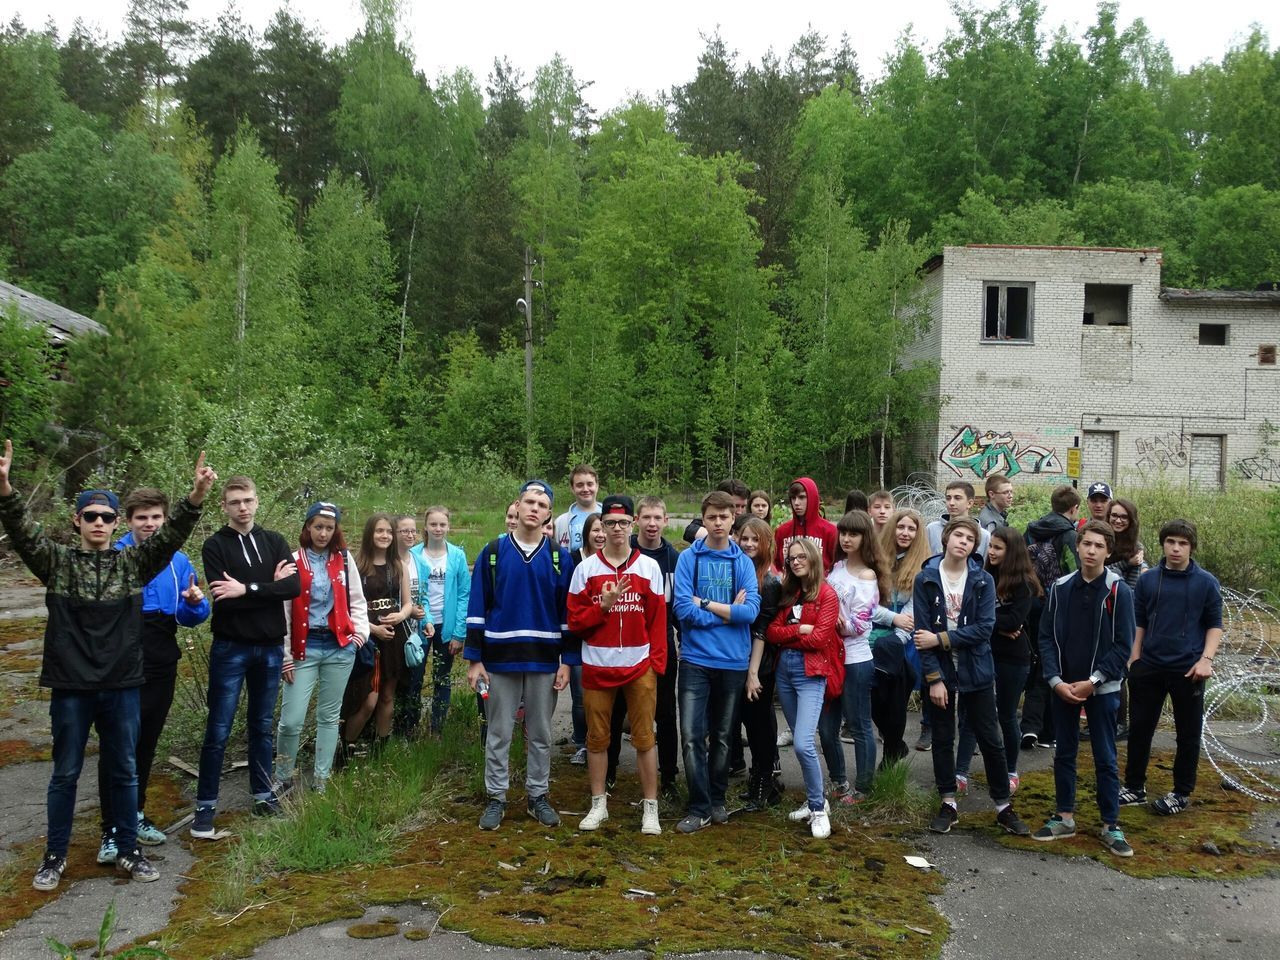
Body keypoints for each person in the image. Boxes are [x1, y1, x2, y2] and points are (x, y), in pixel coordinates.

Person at [0, 441, 214, 890]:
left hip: (122, 684)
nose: (99, 523)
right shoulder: (55, 563)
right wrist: (5, 489)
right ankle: (54, 856)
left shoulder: (132, 564)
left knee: (124, 769)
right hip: (72, 685)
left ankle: (129, 851)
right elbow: (21, 531)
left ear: (117, 523)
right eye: (91, 516)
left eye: (107, 517)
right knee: (65, 773)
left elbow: (173, 534)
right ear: (77, 520)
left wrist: (195, 497)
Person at [98, 487, 210, 864]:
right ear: (128, 522)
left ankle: (135, 814)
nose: (149, 524)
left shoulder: (178, 561)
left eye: (156, 518)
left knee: (145, 743)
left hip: (161, 663)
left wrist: (196, 603)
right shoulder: (114, 557)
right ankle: (111, 831)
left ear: (164, 520)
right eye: (141, 518)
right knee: (117, 746)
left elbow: (191, 616)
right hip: (119, 665)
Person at [194, 475, 299, 840]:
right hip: (231, 647)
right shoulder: (215, 546)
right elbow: (224, 595)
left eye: (248, 500)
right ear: (224, 505)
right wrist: (267, 588)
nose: (243, 507)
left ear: (257, 501)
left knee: (262, 726)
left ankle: (262, 796)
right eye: (235, 501)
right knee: (218, 729)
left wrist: (248, 588)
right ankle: (205, 808)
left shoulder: (274, 541)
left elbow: (293, 586)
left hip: (270, 646)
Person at [465, 480, 575, 830]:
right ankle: (496, 797)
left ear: (548, 514)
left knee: (541, 732)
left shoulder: (560, 557)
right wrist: (474, 659)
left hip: (544, 661)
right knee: (499, 732)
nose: (534, 509)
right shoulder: (493, 552)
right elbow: (477, 607)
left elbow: (567, 615)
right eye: (529, 502)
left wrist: (567, 663)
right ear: (518, 505)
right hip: (500, 659)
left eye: (541, 505)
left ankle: (537, 795)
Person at [914, 517, 1030, 837]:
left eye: (970, 538)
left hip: (976, 667)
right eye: (958, 535)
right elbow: (920, 634)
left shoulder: (982, 581)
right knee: (942, 736)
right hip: (940, 671)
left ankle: (1003, 806)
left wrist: (942, 640)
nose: (963, 541)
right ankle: (948, 802)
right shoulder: (925, 579)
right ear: (946, 539)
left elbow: (983, 629)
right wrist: (934, 678)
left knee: (990, 738)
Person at [1032, 519, 1135, 856]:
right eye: (1086, 544)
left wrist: (1093, 682)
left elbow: (1123, 645)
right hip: (1063, 687)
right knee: (1064, 753)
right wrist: (1055, 680)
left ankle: (1111, 825)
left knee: (1105, 756)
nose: (1091, 551)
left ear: (1108, 551)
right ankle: (1064, 816)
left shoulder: (1119, 591)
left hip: (1101, 689)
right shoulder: (1060, 588)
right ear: (1077, 546)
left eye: (1099, 546)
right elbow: (1045, 637)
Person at [568, 495, 667, 834]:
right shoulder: (585, 570)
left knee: (644, 739)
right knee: (597, 739)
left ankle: (650, 808)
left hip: (639, 667)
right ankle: (599, 804)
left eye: (624, 523)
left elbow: (658, 621)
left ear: (632, 525)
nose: (617, 529)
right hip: (597, 666)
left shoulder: (648, 567)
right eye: (610, 523)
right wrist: (604, 606)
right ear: (602, 527)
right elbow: (575, 622)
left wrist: (656, 664)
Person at [1120, 519, 1223, 816]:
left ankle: (1181, 792)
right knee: (1140, 730)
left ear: (1191, 547)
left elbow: (1215, 624)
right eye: (1171, 542)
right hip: (1149, 667)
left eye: (1183, 543)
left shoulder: (1206, 582)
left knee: (1187, 734)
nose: (1176, 548)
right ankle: (1134, 787)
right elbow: (1139, 619)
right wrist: (1134, 658)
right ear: (1162, 544)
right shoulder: (1149, 579)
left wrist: (1206, 660)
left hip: (1188, 669)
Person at [672, 490, 760, 833]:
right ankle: (699, 806)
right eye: (712, 517)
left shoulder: (743, 563)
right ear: (703, 519)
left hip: (733, 662)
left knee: (724, 736)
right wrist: (727, 613)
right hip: (695, 660)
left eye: (725, 517)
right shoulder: (688, 560)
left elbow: (750, 612)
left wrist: (706, 605)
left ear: (733, 519)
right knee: (692, 735)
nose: (719, 522)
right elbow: (682, 610)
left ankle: (717, 799)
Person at [275, 503, 369, 792]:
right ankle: (283, 776)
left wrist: (358, 637)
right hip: (304, 649)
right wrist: (286, 655)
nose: (323, 533)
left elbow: (357, 601)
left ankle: (322, 779)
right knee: (291, 721)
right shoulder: (293, 560)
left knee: (328, 717)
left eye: (329, 528)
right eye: (318, 527)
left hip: (339, 647)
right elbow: (284, 611)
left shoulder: (343, 560)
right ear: (307, 527)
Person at [767, 538, 844, 839]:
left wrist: (789, 637)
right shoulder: (788, 592)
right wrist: (798, 629)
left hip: (811, 673)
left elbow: (820, 640)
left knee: (802, 743)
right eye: (791, 558)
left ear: (813, 559)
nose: (796, 562)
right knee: (802, 741)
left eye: (801, 557)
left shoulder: (826, 594)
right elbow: (772, 633)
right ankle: (817, 798)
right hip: (785, 671)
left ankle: (818, 809)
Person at [955, 527, 1041, 796]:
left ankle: (1011, 770)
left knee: (1006, 715)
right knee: (971, 715)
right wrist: (996, 625)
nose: (991, 552)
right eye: (990, 546)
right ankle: (960, 772)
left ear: (1012, 551)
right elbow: (966, 616)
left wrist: (991, 623)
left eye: (998, 548)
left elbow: (1014, 621)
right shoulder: (981, 577)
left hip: (1013, 659)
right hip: (982, 653)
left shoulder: (1024, 583)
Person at [818, 510, 887, 802]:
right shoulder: (836, 567)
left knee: (859, 725)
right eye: (843, 533)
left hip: (856, 660)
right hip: (829, 658)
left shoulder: (868, 575)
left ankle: (863, 788)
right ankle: (839, 782)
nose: (847, 538)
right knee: (826, 728)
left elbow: (861, 624)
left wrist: (832, 623)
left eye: (854, 534)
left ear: (865, 538)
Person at [627, 496, 682, 798]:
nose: (651, 524)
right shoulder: (627, 553)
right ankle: (608, 774)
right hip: (627, 646)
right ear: (636, 520)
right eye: (645, 517)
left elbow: (678, 607)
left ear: (666, 520)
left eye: (656, 518)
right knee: (620, 708)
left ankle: (670, 777)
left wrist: (682, 639)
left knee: (665, 712)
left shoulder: (674, 560)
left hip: (662, 646)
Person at [345, 514, 413, 753]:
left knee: (387, 697)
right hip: (367, 638)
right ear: (369, 534)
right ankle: (345, 749)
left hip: (393, 637)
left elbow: (408, 603)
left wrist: (402, 616)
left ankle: (379, 752)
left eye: (388, 531)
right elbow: (347, 607)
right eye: (379, 531)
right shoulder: (357, 565)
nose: (384, 536)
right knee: (368, 700)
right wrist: (372, 629)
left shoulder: (398, 566)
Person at [1021, 484, 1081, 751]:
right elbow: (1075, 569)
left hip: (1031, 601)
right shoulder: (1069, 534)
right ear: (1074, 509)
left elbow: (1020, 563)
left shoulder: (1032, 529)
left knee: (1033, 660)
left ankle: (1029, 725)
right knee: (1052, 663)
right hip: (1056, 605)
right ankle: (1045, 730)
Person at [869, 509, 928, 764]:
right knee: (875, 699)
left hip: (901, 642)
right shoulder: (874, 561)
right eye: (900, 527)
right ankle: (896, 745)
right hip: (870, 639)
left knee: (896, 703)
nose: (905, 533)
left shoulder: (922, 567)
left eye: (911, 529)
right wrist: (891, 619)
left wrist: (899, 637)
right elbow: (866, 604)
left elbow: (913, 610)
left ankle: (891, 757)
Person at [410, 507, 471, 734]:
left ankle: (437, 728)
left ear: (448, 526)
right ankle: (410, 725)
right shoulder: (414, 554)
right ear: (425, 526)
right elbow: (414, 592)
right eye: (433, 524)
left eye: (442, 525)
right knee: (414, 676)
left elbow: (464, 593)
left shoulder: (457, 555)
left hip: (447, 625)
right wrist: (424, 617)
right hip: (419, 625)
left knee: (442, 678)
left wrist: (458, 632)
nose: (438, 529)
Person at [738, 516, 784, 810]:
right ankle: (762, 779)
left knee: (759, 725)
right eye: (745, 539)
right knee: (750, 722)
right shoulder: (738, 571)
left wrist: (753, 672)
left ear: (767, 544)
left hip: (760, 665)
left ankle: (764, 781)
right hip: (738, 658)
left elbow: (763, 629)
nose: (750, 544)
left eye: (756, 539)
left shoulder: (768, 581)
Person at [566, 513, 606, 765]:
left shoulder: (616, 560)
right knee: (580, 696)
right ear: (586, 534)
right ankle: (582, 742)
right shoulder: (573, 560)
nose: (601, 534)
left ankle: (602, 739)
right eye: (596, 530)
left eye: (604, 529)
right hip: (578, 636)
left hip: (603, 638)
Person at [394, 513, 434, 736]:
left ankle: (409, 728)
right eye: (404, 531)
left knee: (414, 680)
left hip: (414, 632)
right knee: (394, 681)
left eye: (413, 531)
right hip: (392, 630)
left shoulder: (419, 561)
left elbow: (423, 597)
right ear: (395, 533)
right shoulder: (388, 560)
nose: (410, 535)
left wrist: (426, 619)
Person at [775, 477, 838, 573]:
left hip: (820, 585)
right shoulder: (782, 531)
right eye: (793, 498)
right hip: (788, 586)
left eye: (802, 497)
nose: (796, 503)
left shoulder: (830, 531)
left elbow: (838, 566)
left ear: (812, 498)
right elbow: (776, 565)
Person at [926, 481, 991, 559]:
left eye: (957, 498)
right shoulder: (932, 529)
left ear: (969, 503)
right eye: (948, 498)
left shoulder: (984, 535)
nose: (951, 503)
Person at [683, 479, 749, 543]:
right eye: (736, 506)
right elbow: (691, 531)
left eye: (743, 506)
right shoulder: (709, 521)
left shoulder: (749, 521)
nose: (740, 512)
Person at [554, 463, 601, 553]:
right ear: (572, 488)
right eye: (580, 485)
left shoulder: (609, 516)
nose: (585, 489)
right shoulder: (560, 522)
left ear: (597, 485)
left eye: (590, 484)